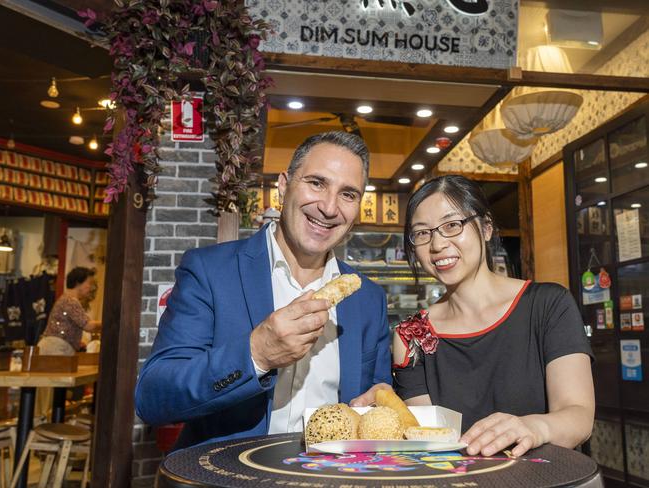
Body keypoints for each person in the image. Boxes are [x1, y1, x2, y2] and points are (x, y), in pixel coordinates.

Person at [135, 131, 391, 449]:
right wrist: (256, 354)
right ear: (283, 186)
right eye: (317, 183)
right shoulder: (210, 271)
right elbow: (153, 398)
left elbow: (377, 398)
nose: (329, 207)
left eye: (348, 194)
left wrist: (381, 406)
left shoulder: (369, 299)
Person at [391, 175, 594, 457]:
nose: (437, 244)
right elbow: (430, 442)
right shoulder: (410, 335)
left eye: (452, 225)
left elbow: (579, 416)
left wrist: (535, 427)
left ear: (486, 228)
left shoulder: (548, 305)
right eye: (423, 233)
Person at [37, 266, 101, 355]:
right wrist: (107, 324)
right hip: (56, 349)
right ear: (78, 283)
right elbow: (89, 326)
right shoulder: (70, 300)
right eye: (89, 283)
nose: (91, 288)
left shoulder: (65, 299)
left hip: (54, 347)